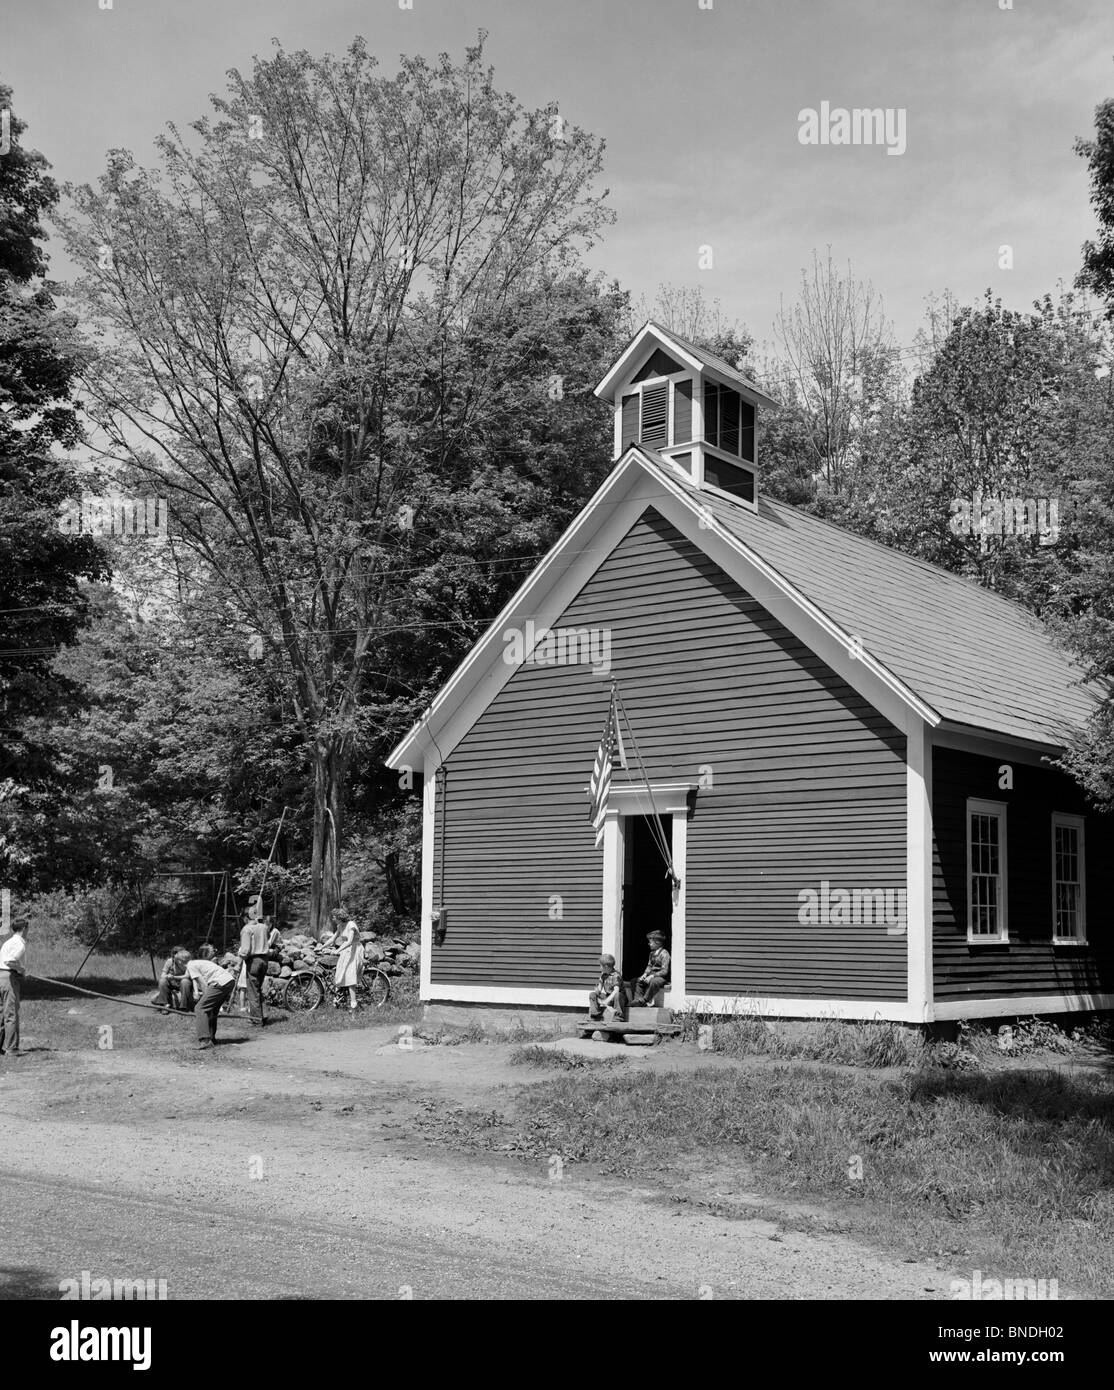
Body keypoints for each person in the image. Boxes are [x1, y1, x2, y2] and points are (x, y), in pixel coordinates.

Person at [180, 951, 236, 1049]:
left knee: (200, 1008)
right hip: (229, 981)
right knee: (211, 1010)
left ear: (180, 962)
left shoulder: (190, 966)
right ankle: (211, 1038)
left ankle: (205, 1040)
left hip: (220, 982)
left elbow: (202, 983)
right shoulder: (197, 962)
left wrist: (204, 998)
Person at [0, 920, 28, 1057]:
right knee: (11, 1013)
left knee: (2, 1014)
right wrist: (21, 969)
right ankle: (11, 1048)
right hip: (10, 977)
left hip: (1, 976)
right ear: (24, 928)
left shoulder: (8, 942)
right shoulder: (20, 944)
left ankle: (1, 1047)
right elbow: (9, 961)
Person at [238, 911, 271, 1027]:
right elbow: (268, 938)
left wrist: (241, 957)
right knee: (258, 989)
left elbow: (246, 949)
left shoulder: (247, 929)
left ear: (245, 917)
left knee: (252, 991)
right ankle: (264, 1015)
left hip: (253, 961)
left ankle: (256, 1020)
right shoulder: (264, 927)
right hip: (265, 960)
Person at [631, 930, 671, 1006]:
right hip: (650, 975)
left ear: (658, 942)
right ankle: (637, 1000)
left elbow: (664, 971)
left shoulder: (664, 954)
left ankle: (645, 999)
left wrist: (652, 976)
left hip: (660, 977)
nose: (649, 944)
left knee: (654, 982)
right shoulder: (651, 954)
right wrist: (645, 974)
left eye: (651, 942)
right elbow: (649, 966)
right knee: (636, 981)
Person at [333, 919, 364, 1010]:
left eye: (334, 917)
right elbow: (333, 938)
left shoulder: (351, 924)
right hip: (346, 951)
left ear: (339, 916)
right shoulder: (340, 926)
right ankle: (340, 997)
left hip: (355, 950)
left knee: (350, 974)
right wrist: (322, 947)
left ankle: (353, 1003)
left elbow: (350, 941)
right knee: (340, 973)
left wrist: (337, 950)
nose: (333, 919)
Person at [588, 954, 627, 1022]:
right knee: (592, 994)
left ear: (606, 966)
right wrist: (597, 991)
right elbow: (600, 988)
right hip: (608, 997)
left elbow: (616, 991)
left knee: (617, 995)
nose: (600, 967)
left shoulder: (616, 975)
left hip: (618, 1000)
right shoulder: (603, 975)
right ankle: (595, 1015)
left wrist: (606, 1001)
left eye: (600, 966)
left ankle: (618, 1017)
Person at [150, 947, 191, 1013]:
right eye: (174, 955)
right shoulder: (170, 961)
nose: (175, 956)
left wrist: (174, 977)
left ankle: (183, 1007)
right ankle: (165, 1005)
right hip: (173, 983)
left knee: (185, 981)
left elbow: (187, 976)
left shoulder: (187, 962)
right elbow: (163, 975)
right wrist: (168, 976)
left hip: (183, 983)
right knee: (162, 980)